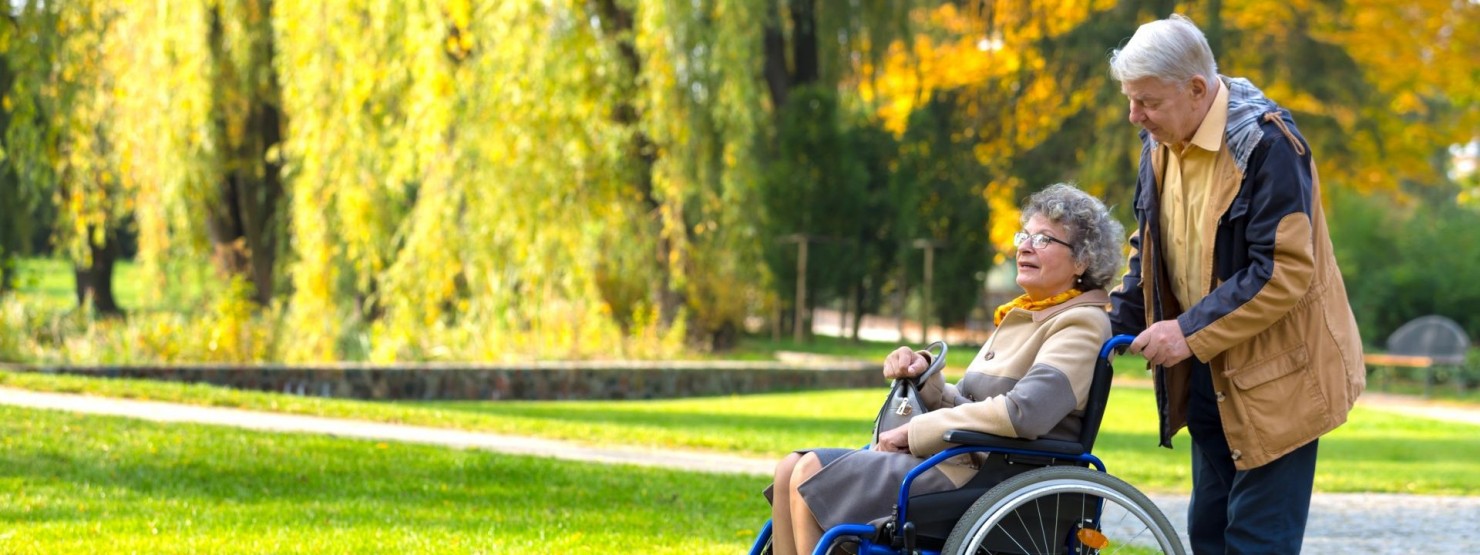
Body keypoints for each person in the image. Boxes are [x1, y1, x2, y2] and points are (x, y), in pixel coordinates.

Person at [1106, 14, 1366, 554]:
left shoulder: (1269, 145)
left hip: (1280, 379)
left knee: (1255, 542)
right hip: (1208, 368)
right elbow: (1149, 249)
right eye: (1131, 100)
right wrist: (1102, 327)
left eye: (1147, 101)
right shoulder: (1157, 143)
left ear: (1196, 89)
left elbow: (1283, 270)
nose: (1136, 115)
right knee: (1209, 534)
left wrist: (1184, 332)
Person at [765, 183, 1125, 555]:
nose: (1025, 246)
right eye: (1025, 235)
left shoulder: (1080, 322)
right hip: (962, 461)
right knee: (789, 468)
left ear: (1082, 260)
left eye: (1044, 239)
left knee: (808, 471)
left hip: (989, 476)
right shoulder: (1027, 314)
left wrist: (918, 430)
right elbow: (972, 402)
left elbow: (1024, 413)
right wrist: (924, 379)